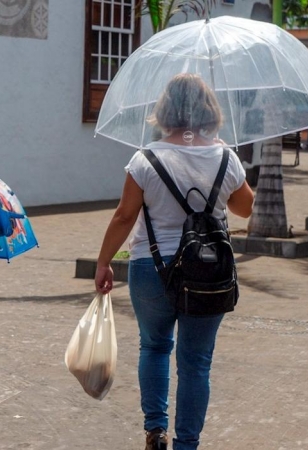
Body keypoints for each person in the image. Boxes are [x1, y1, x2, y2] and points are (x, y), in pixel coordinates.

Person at [94, 73, 254, 450]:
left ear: (165, 110)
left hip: (152, 269)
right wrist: (221, 176)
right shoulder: (225, 156)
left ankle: (155, 430)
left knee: (153, 347)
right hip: (207, 269)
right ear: (209, 110)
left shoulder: (145, 158)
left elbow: (123, 216)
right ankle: (187, 444)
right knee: (196, 362)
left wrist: (104, 262)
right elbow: (245, 208)